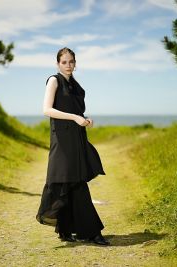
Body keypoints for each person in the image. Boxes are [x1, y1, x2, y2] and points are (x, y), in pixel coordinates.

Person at [36, 47, 109, 246]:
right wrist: (75, 117)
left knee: (71, 180)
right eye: (64, 62)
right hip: (61, 138)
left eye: (71, 62)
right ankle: (92, 232)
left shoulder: (74, 84)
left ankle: (65, 229)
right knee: (68, 181)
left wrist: (84, 119)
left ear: (75, 63)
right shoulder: (54, 80)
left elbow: (75, 110)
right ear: (58, 64)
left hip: (76, 136)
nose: (68, 66)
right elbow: (46, 109)